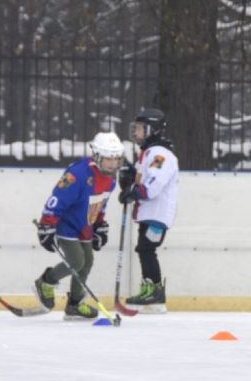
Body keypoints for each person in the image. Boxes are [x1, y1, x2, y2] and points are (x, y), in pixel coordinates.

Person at [34, 132, 122, 320]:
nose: (113, 164)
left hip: (85, 227)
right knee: (76, 261)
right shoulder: (77, 174)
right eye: (108, 159)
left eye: (116, 159)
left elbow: (100, 204)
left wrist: (99, 225)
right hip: (66, 224)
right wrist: (46, 225)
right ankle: (46, 281)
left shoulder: (111, 179)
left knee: (87, 261)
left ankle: (74, 304)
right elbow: (57, 199)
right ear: (97, 156)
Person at [118, 108, 179, 313]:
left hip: (157, 214)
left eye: (141, 129)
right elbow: (139, 178)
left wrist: (135, 192)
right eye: (135, 128)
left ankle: (154, 292)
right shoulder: (148, 153)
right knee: (144, 249)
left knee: (146, 249)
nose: (136, 133)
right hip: (148, 213)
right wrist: (128, 179)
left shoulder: (160, 155)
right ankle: (150, 289)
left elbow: (152, 186)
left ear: (152, 130)